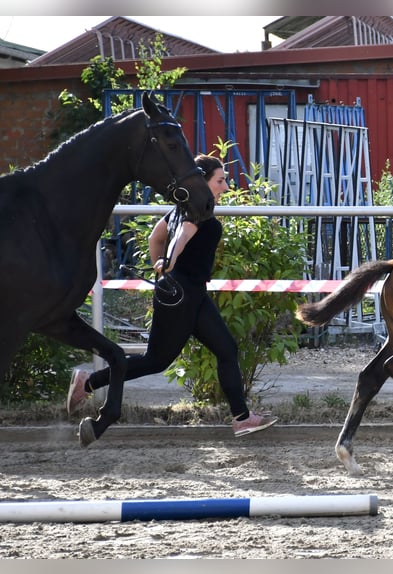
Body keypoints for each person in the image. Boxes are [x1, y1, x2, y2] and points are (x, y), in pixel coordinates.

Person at [67, 154, 277, 436]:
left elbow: (156, 235)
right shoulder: (198, 207)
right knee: (156, 360)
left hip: (191, 293)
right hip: (181, 294)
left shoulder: (184, 206)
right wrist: (170, 262)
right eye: (220, 180)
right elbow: (182, 236)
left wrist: (163, 270)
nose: (225, 186)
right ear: (202, 180)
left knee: (227, 349)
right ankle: (88, 382)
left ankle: (242, 418)